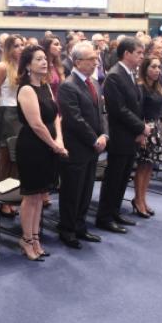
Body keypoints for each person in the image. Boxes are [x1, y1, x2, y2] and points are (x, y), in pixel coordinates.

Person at [16, 45, 66, 261]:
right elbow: (36, 124)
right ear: (28, 65)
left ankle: (35, 238)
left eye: (45, 58)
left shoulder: (45, 87)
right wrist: (54, 145)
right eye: (38, 59)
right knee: (30, 196)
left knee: (39, 196)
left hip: (48, 146)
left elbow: (56, 116)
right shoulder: (26, 89)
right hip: (32, 148)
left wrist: (59, 139)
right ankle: (26, 239)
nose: (44, 62)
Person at [96, 37, 148, 233]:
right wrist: (141, 127)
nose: (142, 57)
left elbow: (136, 106)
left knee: (124, 176)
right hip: (119, 135)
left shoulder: (129, 73)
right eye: (138, 53)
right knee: (114, 178)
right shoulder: (115, 75)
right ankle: (104, 217)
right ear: (126, 54)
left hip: (130, 135)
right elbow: (119, 109)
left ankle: (115, 212)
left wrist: (139, 129)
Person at [57, 41, 106, 249]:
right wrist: (94, 139)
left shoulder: (93, 82)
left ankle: (80, 226)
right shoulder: (68, 86)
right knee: (72, 191)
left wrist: (104, 135)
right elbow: (74, 119)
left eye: (96, 58)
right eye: (92, 59)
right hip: (77, 147)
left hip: (93, 147)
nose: (96, 62)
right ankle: (67, 230)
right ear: (77, 62)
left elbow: (101, 113)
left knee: (86, 190)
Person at [0, 34, 24, 217]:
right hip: (6, 113)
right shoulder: (2, 67)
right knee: (6, 159)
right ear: (8, 48)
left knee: (17, 159)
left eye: (22, 45)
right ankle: (1, 200)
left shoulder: (22, 66)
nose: (21, 48)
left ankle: (11, 196)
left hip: (21, 113)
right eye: (16, 45)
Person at [133, 56, 162, 216]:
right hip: (146, 130)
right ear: (145, 68)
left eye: (159, 67)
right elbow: (138, 112)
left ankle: (143, 199)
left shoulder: (157, 86)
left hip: (157, 129)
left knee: (149, 167)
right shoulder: (140, 87)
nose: (157, 70)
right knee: (141, 168)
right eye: (153, 67)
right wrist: (141, 133)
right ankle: (138, 200)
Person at [43, 36, 65, 101]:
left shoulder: (58, 65)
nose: (60, 47)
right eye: (56, 44)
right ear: (47, 47)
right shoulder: (43, 67)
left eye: (60, 44)